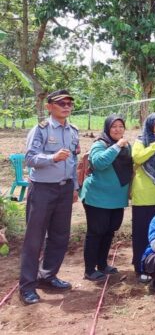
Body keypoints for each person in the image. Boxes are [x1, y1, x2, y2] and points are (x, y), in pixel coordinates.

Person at [19, 90, 79, 305]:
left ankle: (48, 275)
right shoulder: (41, 130)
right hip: (43, 189)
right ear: (49, 106)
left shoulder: (73, 131)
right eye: (61, 103)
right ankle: (27, 286)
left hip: (64, 189)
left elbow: (73, 160)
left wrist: (75, 186)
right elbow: (30, 158)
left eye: (69, 103)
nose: (66, 106)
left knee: (60, 236)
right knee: (34, 239)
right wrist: (52, 157)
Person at [79, 114, 132, 282]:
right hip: (98, 198)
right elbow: (99, 163)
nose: (118, 130)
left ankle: (102, 264)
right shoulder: (100, 144)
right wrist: (116, 147)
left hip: (116, 198)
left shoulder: (126, 146)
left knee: (109, 232)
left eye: (121, 127)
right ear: (107, 129)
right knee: (96, 232)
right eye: (114, 127)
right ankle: (89, 270)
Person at [131, 112, 155, 282]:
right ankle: (140, 267)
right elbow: (138, 157)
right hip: (143, 195)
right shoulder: (141, 141)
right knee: (141, 233)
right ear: (150, 124)